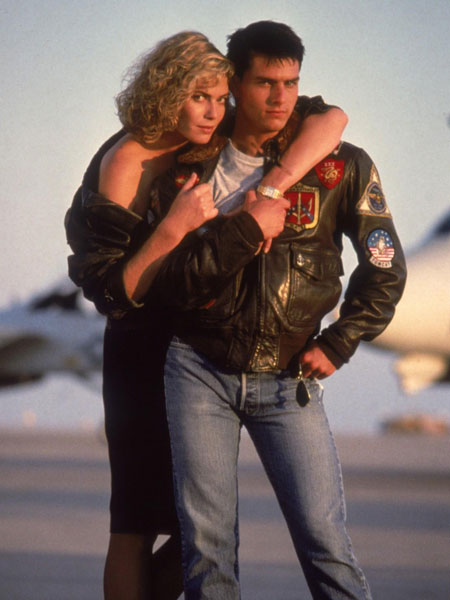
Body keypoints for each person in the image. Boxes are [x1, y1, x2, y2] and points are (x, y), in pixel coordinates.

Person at [64, 30, 348, 600]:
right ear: (167, 92)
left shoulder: (211, 135)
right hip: (142, 351)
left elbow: (333, 119)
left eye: (221, 98)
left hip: (194, 349)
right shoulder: (128, 159)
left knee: (204, 532)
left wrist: (273, 186)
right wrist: (174, 227)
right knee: (136, 524)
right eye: (200, 97)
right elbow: (112, 294)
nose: (215, 111)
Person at [147, 21, 407, 599]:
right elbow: (171, 286)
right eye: (265, 83)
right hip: (198, 370)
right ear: (236, 84)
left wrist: (341, 340)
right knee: (207, 549)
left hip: (290, 378)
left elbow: (385, 266)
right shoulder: (190, 170)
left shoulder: (340, 166)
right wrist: (243, 228)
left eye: (290, 83)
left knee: (325, 543)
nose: (280, 98)